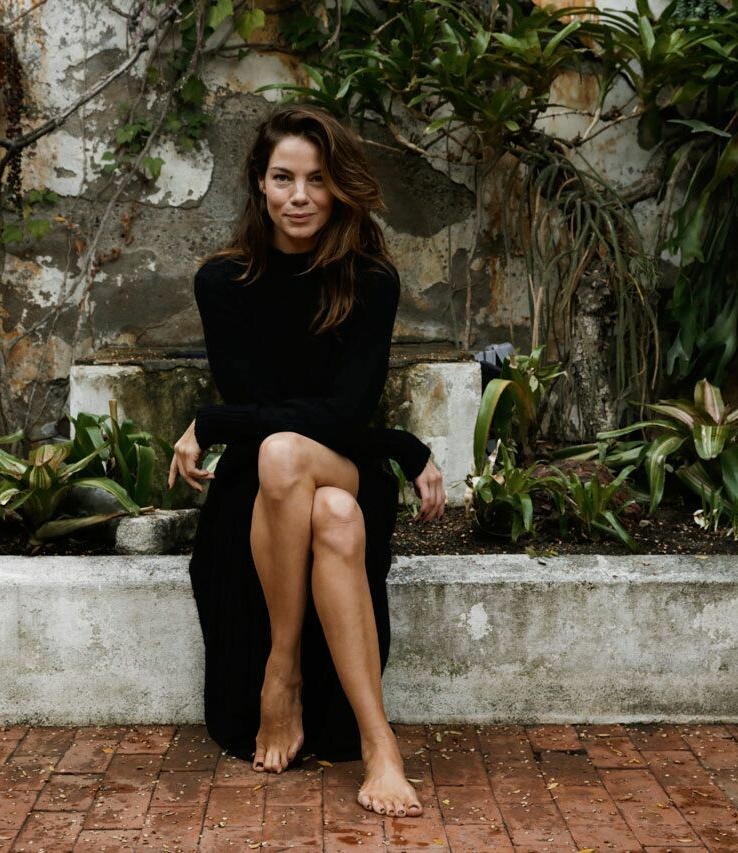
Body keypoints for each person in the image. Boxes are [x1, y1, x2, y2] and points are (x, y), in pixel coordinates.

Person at [167, 104, 447, 819]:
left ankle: (283, 669)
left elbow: (342, 418)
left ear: (338, 187)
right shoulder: (222, 282)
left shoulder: (370, 280)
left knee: (289, 450)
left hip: (340, 458)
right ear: (259, 184)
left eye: (317, 179)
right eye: (283, 178)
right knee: (330, 508)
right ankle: (378, 742)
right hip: (263, 491)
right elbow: (264, 406)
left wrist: (213, 421)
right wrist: (400, 444)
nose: (300, 196)